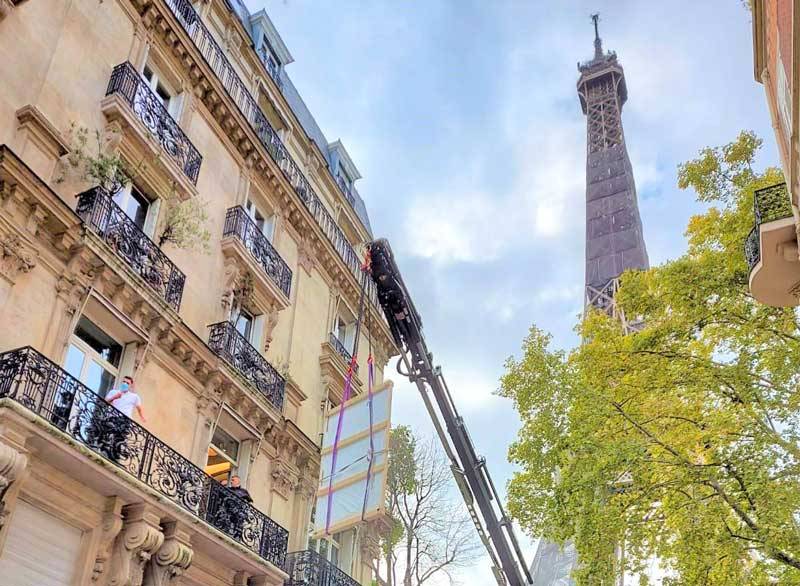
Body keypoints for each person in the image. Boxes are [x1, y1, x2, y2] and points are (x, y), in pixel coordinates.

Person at [101, 376, 146, 462]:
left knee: (119, 439)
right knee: (109, 435)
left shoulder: (134, 396)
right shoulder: (114, 392)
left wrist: (142, 417)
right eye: (124, 382)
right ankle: (105, 451)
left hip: (124, 420)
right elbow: (105, 402)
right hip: (113, 417)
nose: (125, 384)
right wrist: (114, 397)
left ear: (130, 386)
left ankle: (115, 457)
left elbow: (139, 408)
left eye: (127, 383)